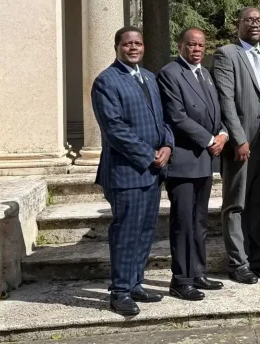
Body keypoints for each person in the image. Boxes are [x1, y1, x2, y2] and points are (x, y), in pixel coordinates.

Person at [92, 27, 174, 317]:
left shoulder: (149, 78)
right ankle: (120, 291)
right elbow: (114, 129)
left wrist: (167, 145)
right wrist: (147, 154)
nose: (133, 48)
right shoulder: (106, 82)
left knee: (144, 231)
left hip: (152, 171)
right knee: (126, 232)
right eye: (127, 44)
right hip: (126, 172)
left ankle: (136, 282)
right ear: (117, 47)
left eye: (138, 43)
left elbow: (162, 120)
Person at [157, 28, 227, 301]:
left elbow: (215, 112)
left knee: (199, 221)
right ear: (180, 45)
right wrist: (210, 139)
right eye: (191, 44)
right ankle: (181, 279)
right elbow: (177, 117)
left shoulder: (205, 73)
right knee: (183, 222)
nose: (197, 49)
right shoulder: (170, 73)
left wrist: (223, 134)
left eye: (201, 45)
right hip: (184, 162)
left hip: (204, 161)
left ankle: (198, 272)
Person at [211, 7, 260, 284]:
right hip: (242, 144)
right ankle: (238, 263)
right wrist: (238, 138)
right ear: (238, 24)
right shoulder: (227, 54)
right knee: (236, 204)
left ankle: (257, 259)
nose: (255, 24)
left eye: (259, 20)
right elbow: (226, 100)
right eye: (249, 20)